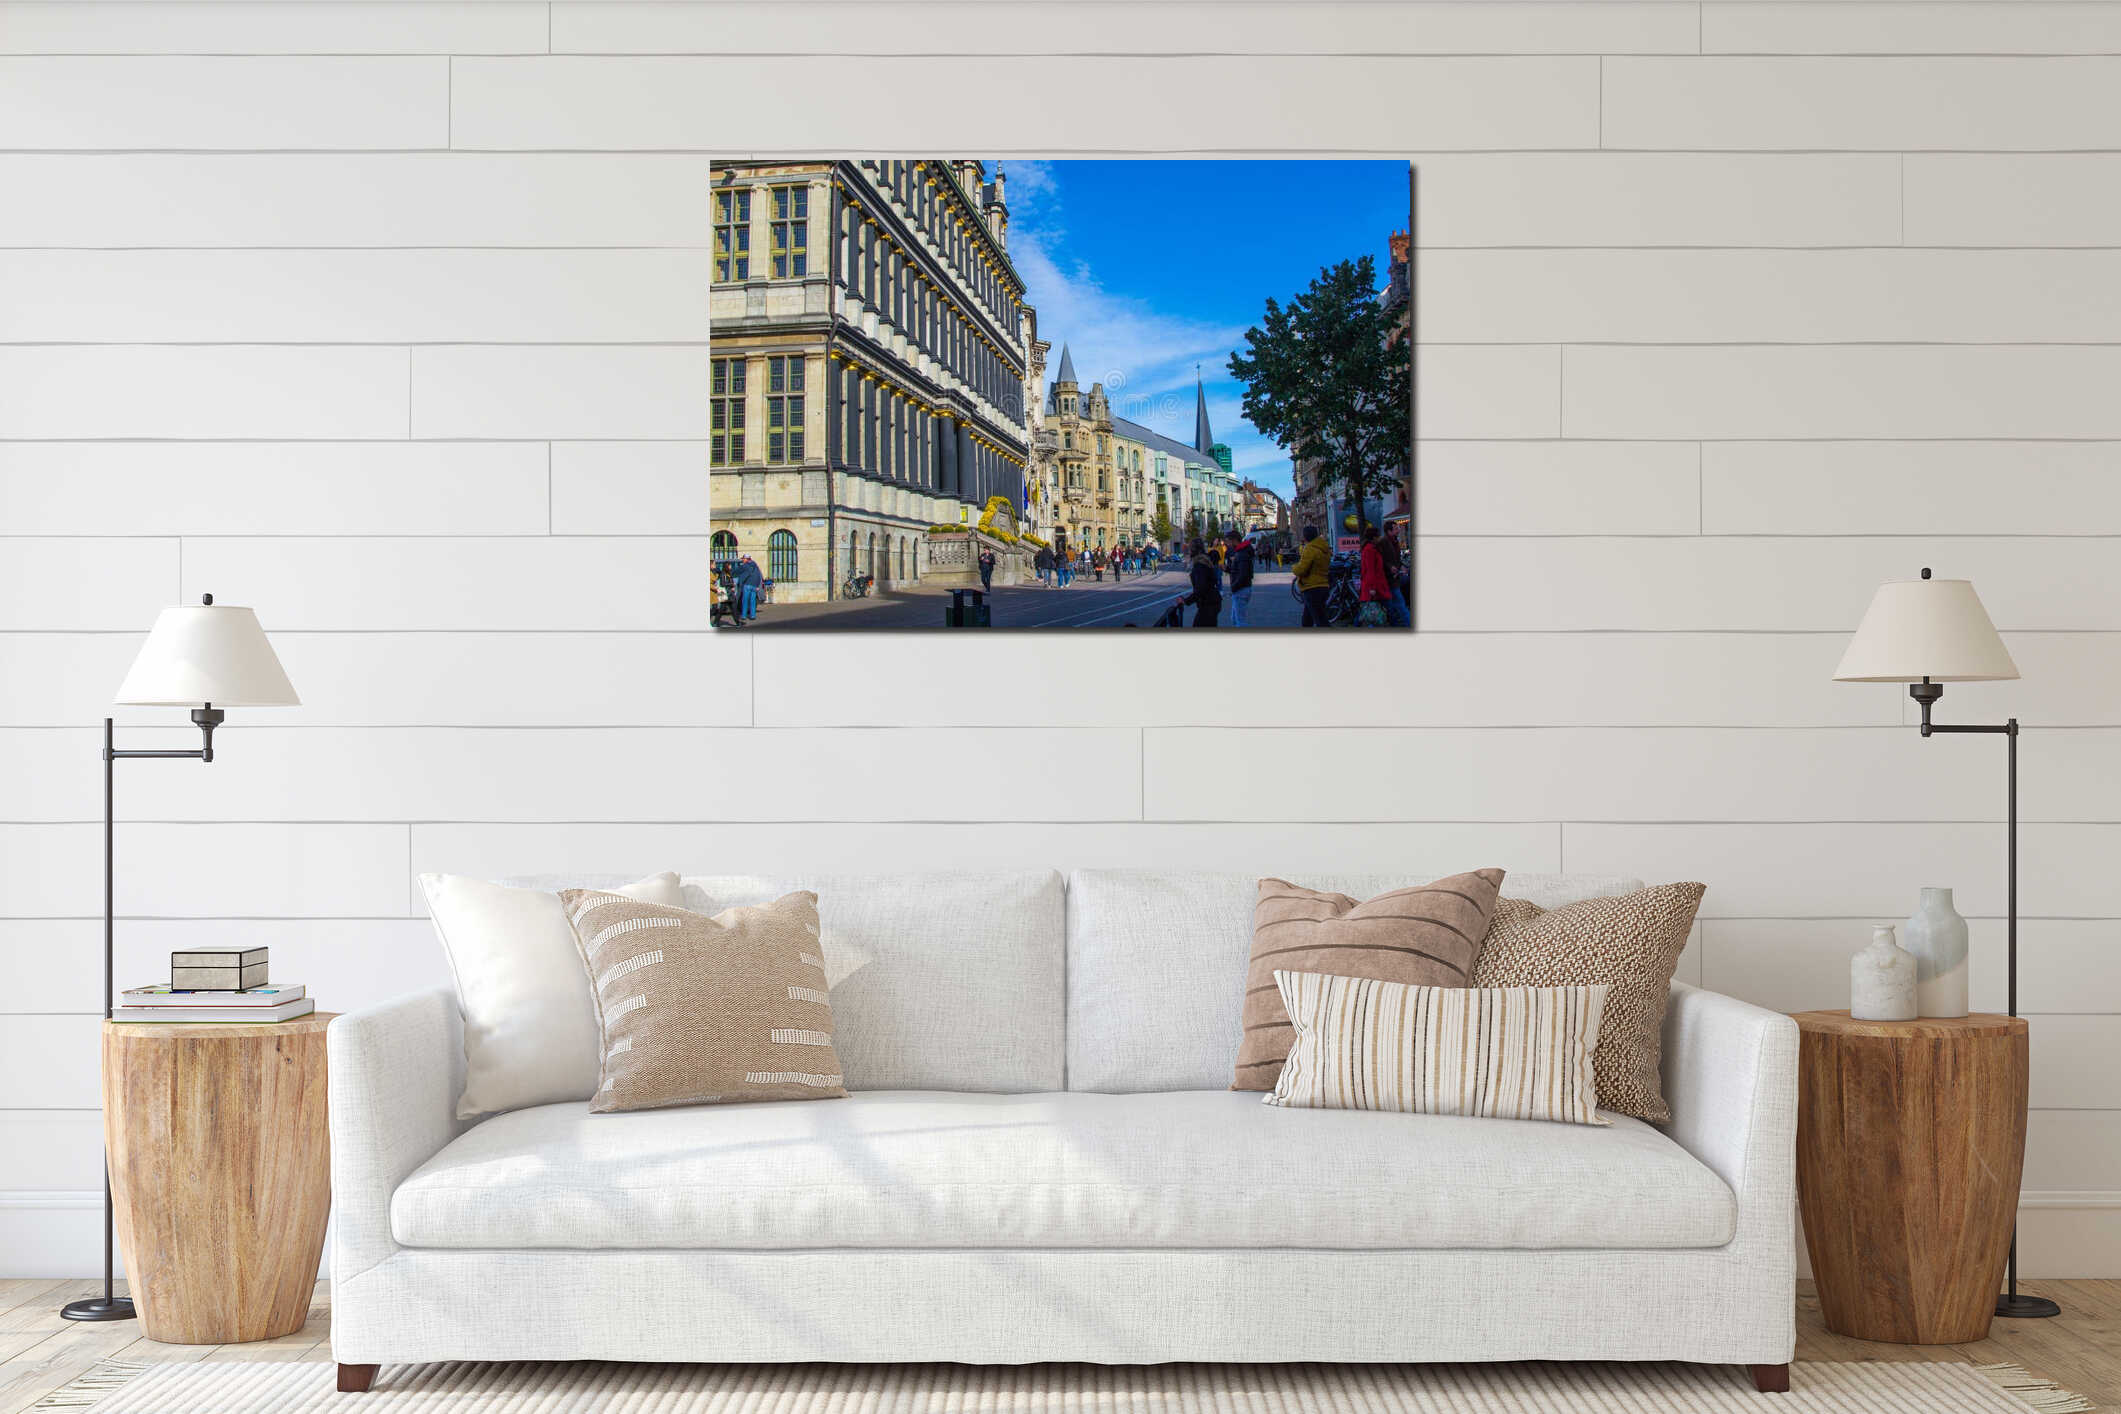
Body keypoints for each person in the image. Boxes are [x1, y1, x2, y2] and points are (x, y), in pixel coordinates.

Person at [1174, 537, 1222, 628]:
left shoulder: (1200, 565)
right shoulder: (1205, 559)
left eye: (1190, 548)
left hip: (1208, 603)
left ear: (1193, 550)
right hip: (1212, 602)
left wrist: (1186, 600)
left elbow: (1201, 588)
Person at [1293, 523, 1331, 627]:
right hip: (1323, 585)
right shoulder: (1324, 548)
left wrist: (1294, 568)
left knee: (1320, 620)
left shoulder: (1310, 549)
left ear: (1305, 536)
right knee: (1308, 619)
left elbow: (1301, 569)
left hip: (1312, 587)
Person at [1357, 525, 1393, 626]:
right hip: (1376, 586)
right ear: (1374, 538)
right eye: (1378, 536)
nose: (1379, 538)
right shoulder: (1370, 550)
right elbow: (1370, 570)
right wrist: (1372, 588)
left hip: (1375, 585)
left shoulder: (1369, 548)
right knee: (1381, 609)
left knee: (1370, 610)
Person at [1222, 526, 1255, 628]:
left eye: (1228, 542)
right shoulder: (1240, 552)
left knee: (1240, 620)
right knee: (1235, 618)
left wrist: (1234, 587)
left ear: (1234, 541)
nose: (1227, 545)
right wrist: (1227, 569)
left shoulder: (1242, 554)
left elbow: (1243, 574)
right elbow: (1238, 571)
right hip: (1241, 588)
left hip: (1241, 589)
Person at [1378, 524, 1410, 627]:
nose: (1398, 530)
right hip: (1388, 578)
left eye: (1398, 528)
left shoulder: (1395, 541)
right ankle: (1407, 624)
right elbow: (1380, 559)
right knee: (1399, 603)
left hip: (1394, 577)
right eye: (1396, 528)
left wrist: (1401, 566)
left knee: (1393, 604)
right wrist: (1390, 567)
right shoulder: (1383, 542)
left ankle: (1395, 623)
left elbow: (1396, 559)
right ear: (1389, 531)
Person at [734, 554, 764, 624]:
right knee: (752, 601)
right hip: (754, 586)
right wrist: (757, 586)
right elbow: (758, 576)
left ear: (747, 559)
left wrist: (739, 581)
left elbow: (738, 572)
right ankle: (752, 616)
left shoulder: (745, 566)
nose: (742, 560)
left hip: (747, 585)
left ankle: (744, 615)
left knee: (745, 601)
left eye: (743, 559)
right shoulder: (755, 566)